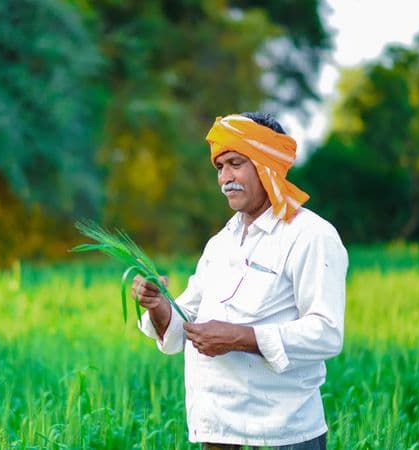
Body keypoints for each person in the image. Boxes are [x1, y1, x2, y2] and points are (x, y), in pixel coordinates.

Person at [133, 112, 347, 449]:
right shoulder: (220, 244)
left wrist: (240, 337)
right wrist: (158, 304)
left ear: (267, 165)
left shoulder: (310, 235)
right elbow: (183, 326)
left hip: (283, 434)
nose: (225, 178)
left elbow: (326, 333)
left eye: (236, 163)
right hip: (217, 431)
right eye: (220, 167)